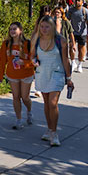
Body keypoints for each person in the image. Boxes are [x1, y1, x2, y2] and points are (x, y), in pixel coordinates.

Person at [31, 16, 73, 146]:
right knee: (46, 103)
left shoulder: (60, 40)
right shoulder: (36, 39)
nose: (44, 29)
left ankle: (54, 133)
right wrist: (34, 61)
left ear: (52, 27)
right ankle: (49, 129)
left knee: (53, 103)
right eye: (42, 26)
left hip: (57, 73)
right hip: (42, 73)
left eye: (47, 26)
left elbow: (65, 60)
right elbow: (32, 55)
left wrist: (69, 78)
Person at [0, 22, 35, 129]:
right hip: (12, 74)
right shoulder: (6, 44)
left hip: (26, 74)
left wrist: (25, 63)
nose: (12, 31)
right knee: (16, 97)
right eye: (11, 29)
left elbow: (35, 60)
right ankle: (18, 120)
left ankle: (29, 111)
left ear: (21, 30)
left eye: (15, 29)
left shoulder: (28, 44)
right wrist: (0, 75)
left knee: (25, 97)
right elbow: (2, 60)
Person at [67, 0, 88, 72]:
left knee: (81, 48)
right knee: (71, 47)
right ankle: (73, 62)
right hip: (73, 32)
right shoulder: (71, 11)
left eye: (78, 1)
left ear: (82, 2)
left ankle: (80, 64)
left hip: (82, 33)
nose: (77, 2)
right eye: (76, 1)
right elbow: (67, 20)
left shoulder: (85, 11)